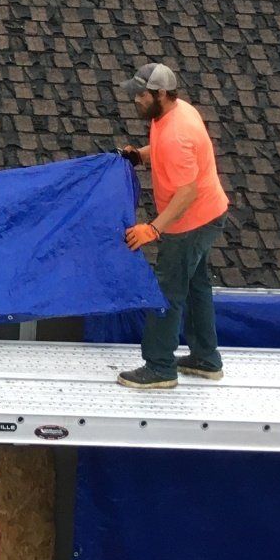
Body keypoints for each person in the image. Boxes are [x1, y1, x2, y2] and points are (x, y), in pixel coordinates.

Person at [116, 62, 230, 389]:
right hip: (210, 213)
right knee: (196, 287)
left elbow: (187, 192)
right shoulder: (172, 114)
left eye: (141, 94)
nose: (135, 99)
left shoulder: (178, 132)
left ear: (161, 94)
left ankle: (160, 366)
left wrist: (152, 229)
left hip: (191, 221)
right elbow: (165, 150)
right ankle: (206, 359)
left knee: (168, 290)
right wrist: (140, 155)